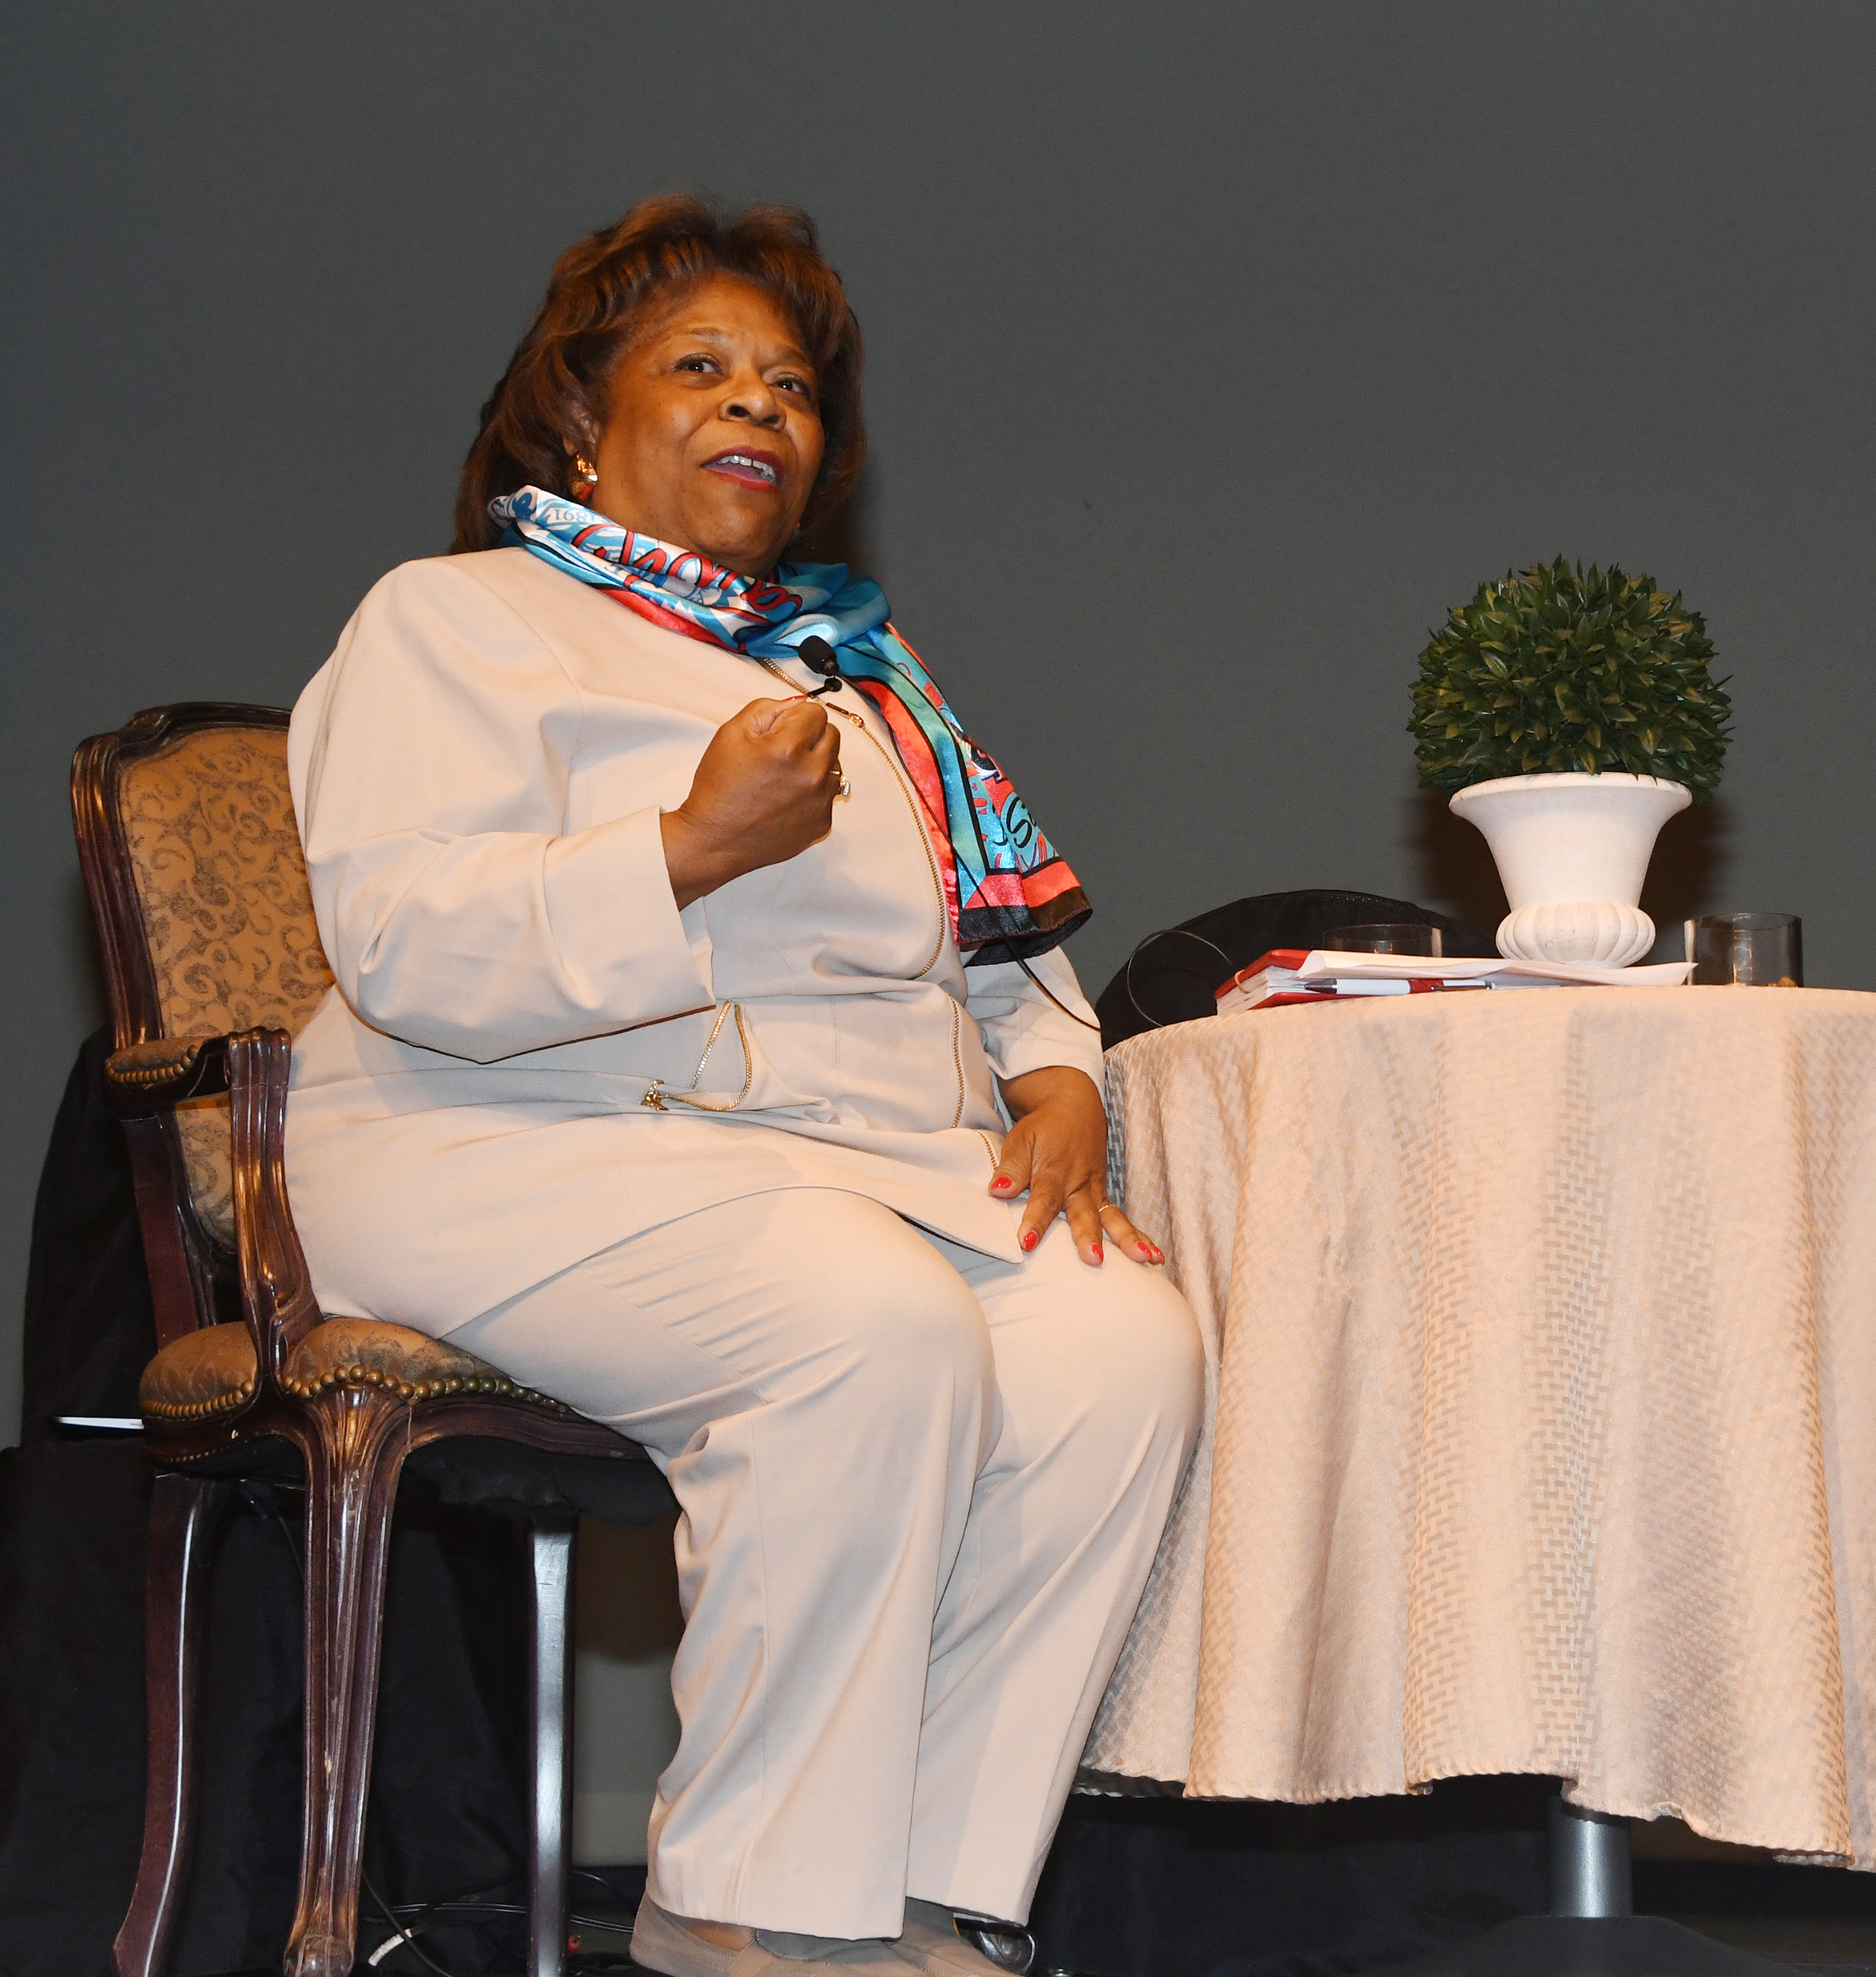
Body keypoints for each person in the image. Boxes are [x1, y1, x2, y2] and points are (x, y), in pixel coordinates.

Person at [283, 196, 1202, 1977]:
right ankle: (748, 1907)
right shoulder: (454, 622)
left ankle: (929, 1899)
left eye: (787, 387)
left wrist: (1062, 1077)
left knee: (1119, 1343)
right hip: (510, 1138)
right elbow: (402, 939)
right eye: (699, 368)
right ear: (578, 416)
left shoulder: (863, 684)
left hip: (837, 1165)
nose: (758, 410)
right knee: (864, 1326)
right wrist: (686, 847)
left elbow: (1002, 953)